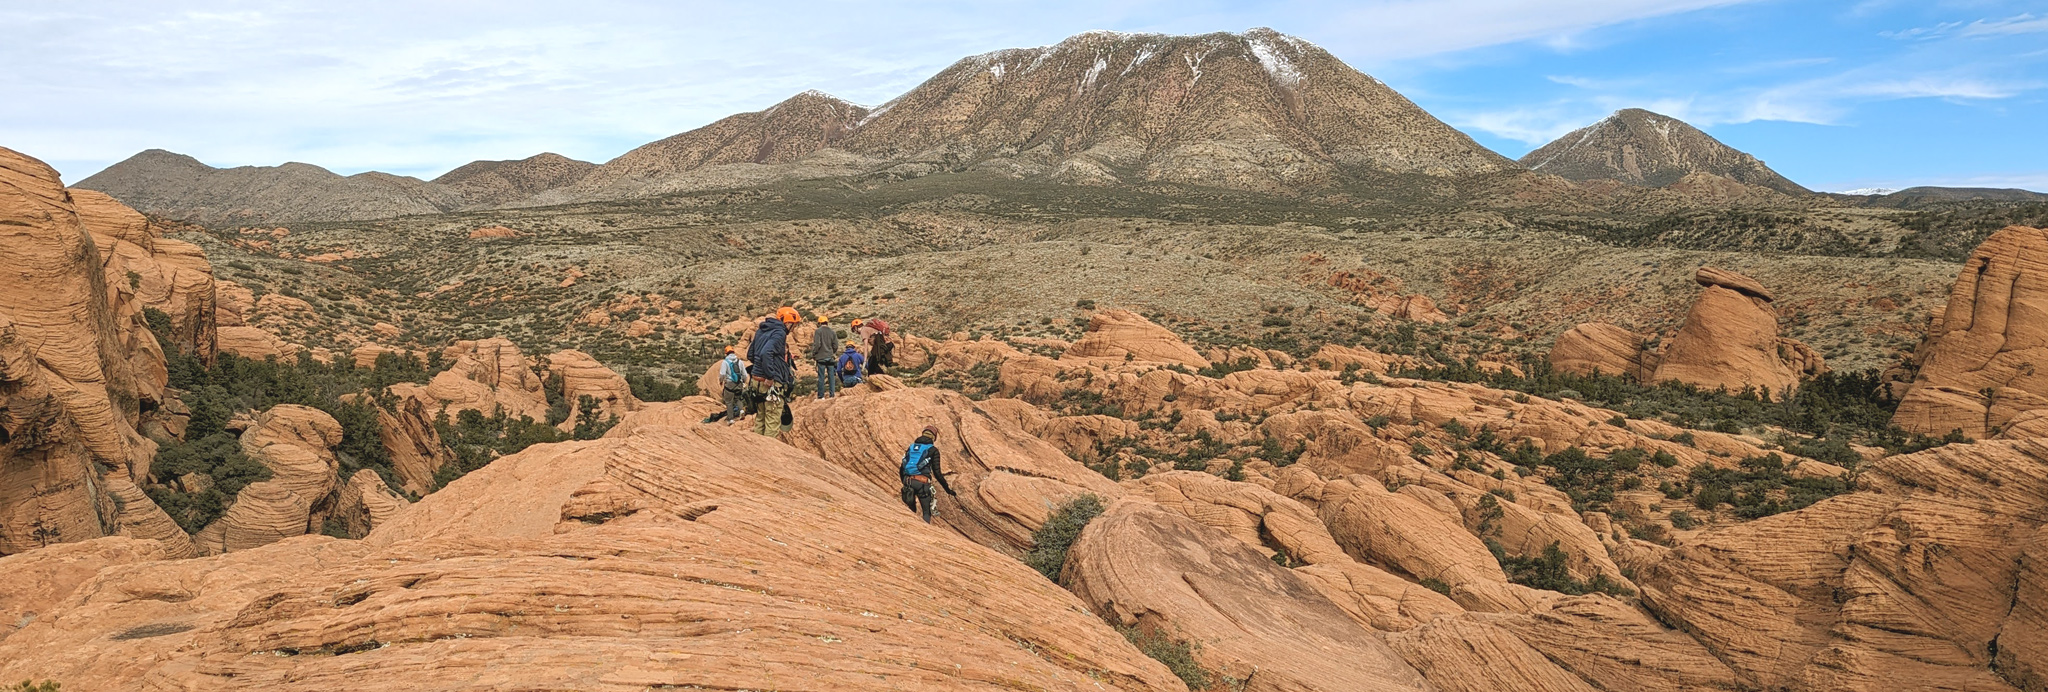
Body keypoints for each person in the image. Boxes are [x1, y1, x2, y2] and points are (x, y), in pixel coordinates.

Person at [898, 425, 956, 523]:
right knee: (926, 512)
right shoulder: (933, 450)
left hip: (908, 481)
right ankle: (923, 533)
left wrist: (905, 482)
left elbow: (902, 467)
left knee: (911, 510)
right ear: (933, 437)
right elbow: (937, 472)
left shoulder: (911, 447)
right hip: (922, 484)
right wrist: (948, 490)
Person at [701, 345, 747, 424]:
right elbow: (745, 374)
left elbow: (722, 374)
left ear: (726, 353)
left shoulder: (725, 362)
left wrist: (721, 381)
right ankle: (741, 411)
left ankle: (730, 419)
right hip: (739, 383)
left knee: (729, 402)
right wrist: (743, 381)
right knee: (738, 399)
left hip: (729, 384)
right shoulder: (740, 362)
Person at [807, 314, 842, 399]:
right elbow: (836, 345)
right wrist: (831, 352)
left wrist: (814, 354)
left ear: (819, 323)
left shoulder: (818, 331)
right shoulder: (832, 332)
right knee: (831, 377)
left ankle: (821, 396)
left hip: (821, 357)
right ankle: (832, 395)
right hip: (830, 357)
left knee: (821, 377)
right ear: (827, 322)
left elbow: (817, 344)